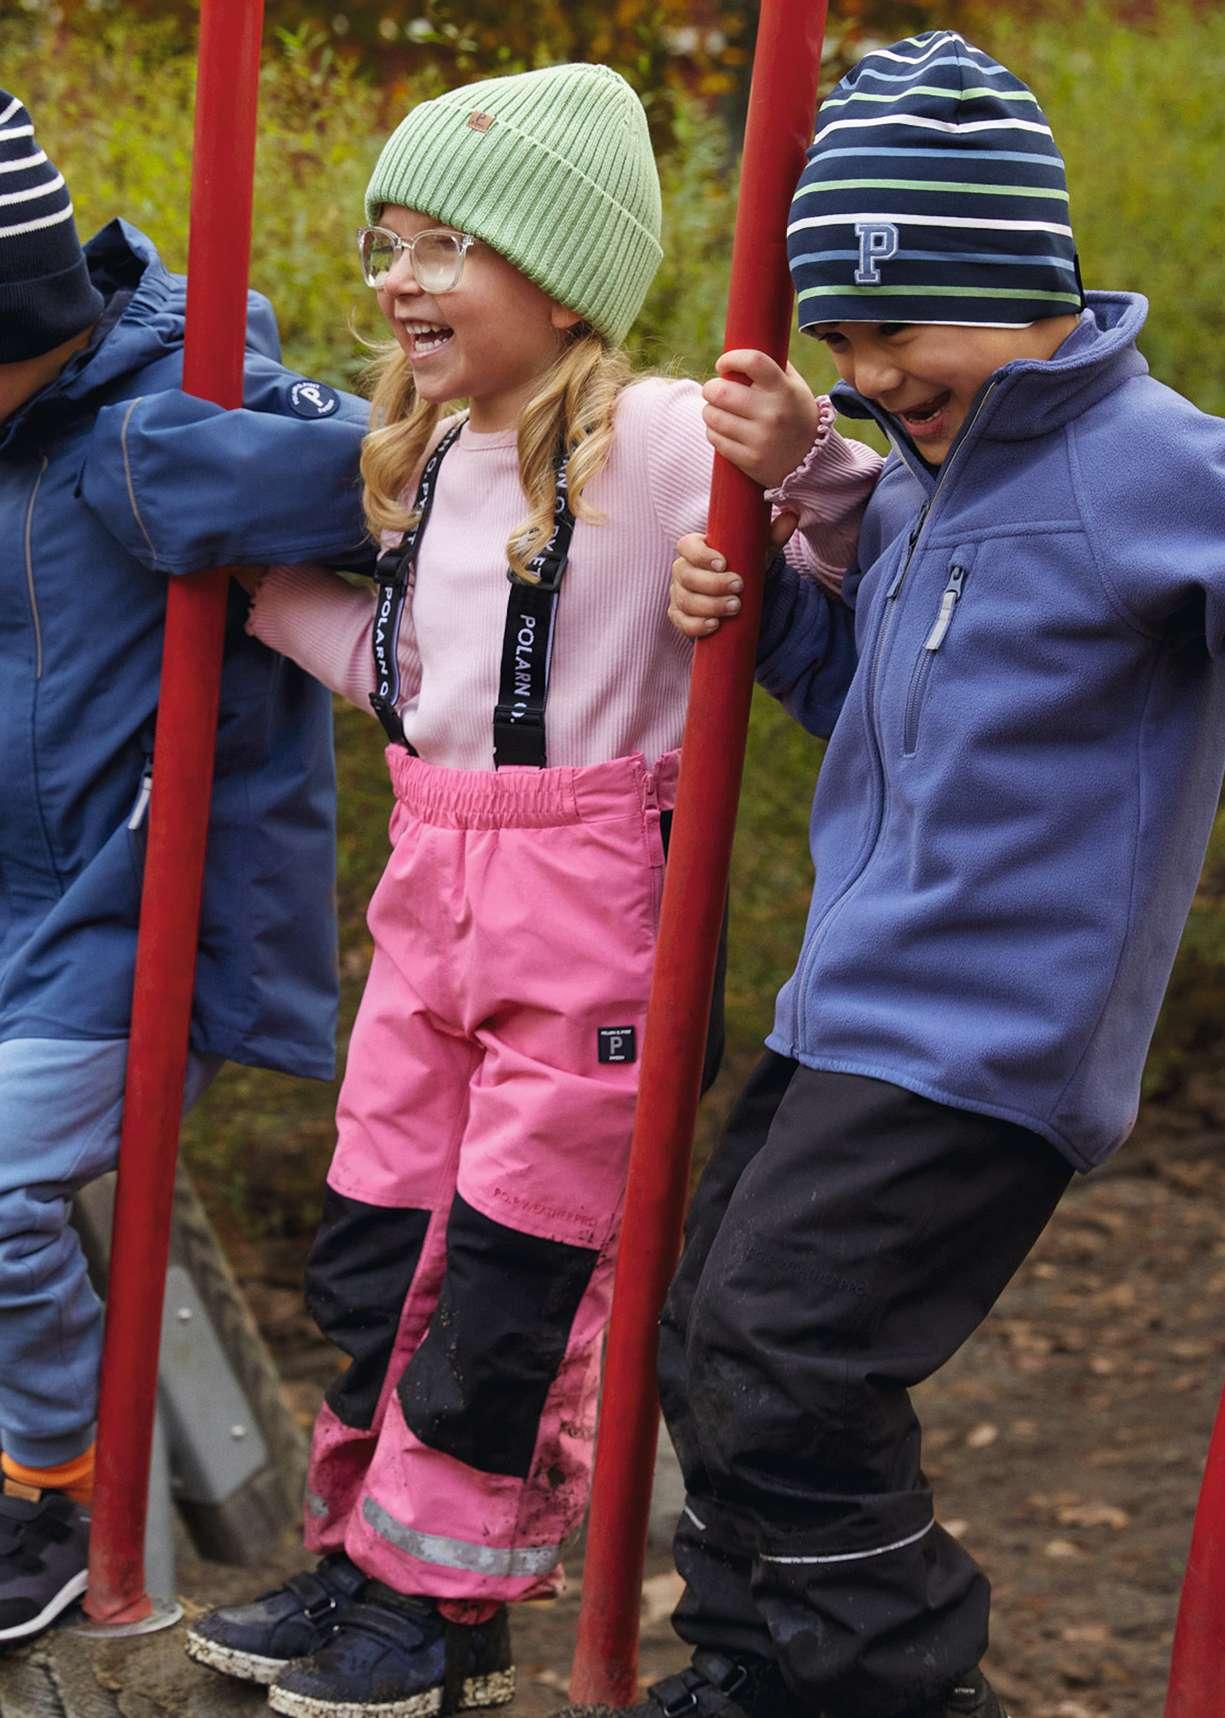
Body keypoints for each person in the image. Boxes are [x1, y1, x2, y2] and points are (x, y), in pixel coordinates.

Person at [184, 60, 882, 1718]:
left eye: (447, 245)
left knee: (514, 1267)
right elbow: (410, 679)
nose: (401, 280)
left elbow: (855, 552)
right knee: (377, 1242)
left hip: (592, 908)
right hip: (431, 884)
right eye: (388, 244)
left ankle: (446, 1599)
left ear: (561, 279)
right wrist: (248, 587)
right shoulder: (431, 454)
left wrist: (802, 477)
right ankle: (362, 1551)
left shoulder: (658, 435)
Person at [557, 28, 1225, 1718]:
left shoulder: (1147, 466)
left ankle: (899, 1683)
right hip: (851, 1001)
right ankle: (755, 1664)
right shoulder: (927, 481)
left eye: (895, 328)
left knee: (787, 1351)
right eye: (838, 338)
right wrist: (768, 614)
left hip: (991, 1032)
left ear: (1018, 287)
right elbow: (877, 705)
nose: (865, 372)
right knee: (702, 1331)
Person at [0, 87, 372, 1645]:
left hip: (130, 916)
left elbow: (402, 476)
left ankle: (48, 1488)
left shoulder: (178, 405)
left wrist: (234, 481)